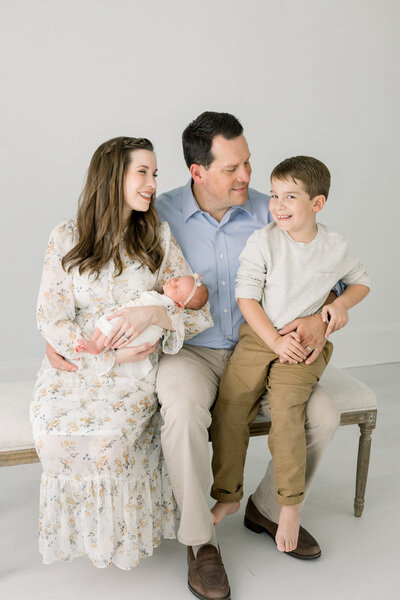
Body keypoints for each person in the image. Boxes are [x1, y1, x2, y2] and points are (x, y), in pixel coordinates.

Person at [47, 113, 342, 600]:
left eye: (247, 163)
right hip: (190, 351)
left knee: (325, 415)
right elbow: (97, 269)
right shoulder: (155, 216)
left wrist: (327, 315)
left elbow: (325, 270)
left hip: (263, 348)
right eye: (232, 168)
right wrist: (65, 334)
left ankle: (267, 507)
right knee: (183, 414)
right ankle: (199, 541)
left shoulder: (273, 212)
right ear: (197, 172)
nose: (246, 176)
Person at [31, 136, 212, 570]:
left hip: (135, 372)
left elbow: (195, 312)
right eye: (143, 173)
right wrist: (97, 356)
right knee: (57, 436)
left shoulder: (157, 238)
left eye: (155, 174)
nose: (152, 184)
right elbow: (51, 317)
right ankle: (89, 535)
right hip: (75, 367)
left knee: (112, 441)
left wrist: (155, 313)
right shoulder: (67, 237)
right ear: (113, 176)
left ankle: (128, 536)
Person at [210, 155, 370, 554]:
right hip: (260, 336)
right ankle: (228, 492)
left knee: (286, 410)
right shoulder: (264, 240)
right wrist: (273, 341)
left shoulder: (335, 246)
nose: (278, 204)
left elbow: (361, 282)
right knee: (230, 403)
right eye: (275, 194)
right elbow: (246, 296)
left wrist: (337, 308)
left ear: (317, 204)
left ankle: (289, 505)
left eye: (290, 197)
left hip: (304, 345)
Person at [76, 274, 208, 381]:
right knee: (108, 320)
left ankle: (97, 346)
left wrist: (153, 314)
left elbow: (185, 322)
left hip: (140, 334)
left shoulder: (167, 307)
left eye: (177, 287)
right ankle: (96, 344)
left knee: (111, 322)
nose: (173, 281)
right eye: (178, 279)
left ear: (179, 305)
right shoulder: (161, 298)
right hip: (134, 330)